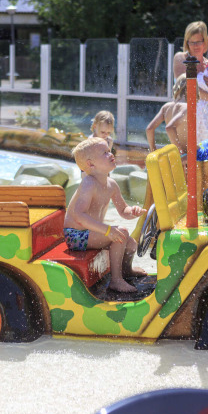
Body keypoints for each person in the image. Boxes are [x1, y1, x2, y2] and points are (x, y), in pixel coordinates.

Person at [64, 137, 146, 293]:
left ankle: (126, 270)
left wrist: (132, 211)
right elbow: (78, 215)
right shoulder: (89, 183)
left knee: (131, 243)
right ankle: (116, 281)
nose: (110, 154)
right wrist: (107, 230)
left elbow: (123, 211)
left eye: (109, 151)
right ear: (90, 164)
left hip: (92, 233)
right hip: (76, 235)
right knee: (120, 233)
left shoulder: (111, 184)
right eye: (104, 153)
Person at [173, 21, 208, 144]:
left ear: (205, 42)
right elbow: (184, 86)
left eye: (199, 41)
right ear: (187, 43)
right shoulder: (181, 58)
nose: (195, 45)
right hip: (189, 116)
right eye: (191, 42)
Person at [146, 74, 188, 154]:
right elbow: (169, 128)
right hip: (188, 155)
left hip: (175, 154)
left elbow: (149, 129)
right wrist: (182, 154)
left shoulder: (166, 107)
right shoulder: (187, 107)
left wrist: (153, 150)